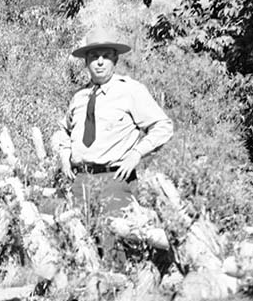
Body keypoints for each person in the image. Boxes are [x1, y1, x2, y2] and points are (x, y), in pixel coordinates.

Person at [56, 30, 173, 226]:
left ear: (115, 59)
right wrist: (64, 154)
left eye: (106, 56)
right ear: (86, 61)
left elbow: (163, 126)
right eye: (94, 56)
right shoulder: (79, 97)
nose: (100, 62)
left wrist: (137, 154)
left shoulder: (130, 91)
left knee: (113, 246)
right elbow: (62, 130)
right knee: (79, 243)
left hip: (116, 180)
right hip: (80, 182)